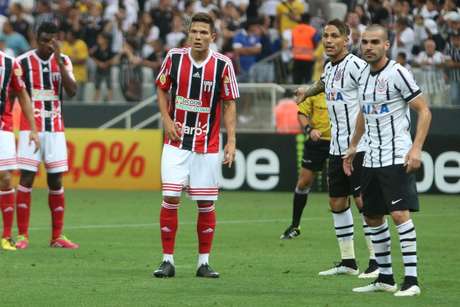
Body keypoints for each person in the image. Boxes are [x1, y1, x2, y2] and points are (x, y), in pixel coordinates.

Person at [344, 24, 431, 297]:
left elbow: (424, 111)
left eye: (374, 42)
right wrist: (353, 145)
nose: (368, 46)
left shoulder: (397, 73)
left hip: (396, 154)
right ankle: (384, 277)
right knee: (371, 215)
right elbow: (363, 113)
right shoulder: (364, 77)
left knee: (398, 214)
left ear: (386, 45)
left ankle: (412, 281)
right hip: (371, 156)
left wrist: (416, 149)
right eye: (364, 42)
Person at [153, 12, 239, 278]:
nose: (198, 37)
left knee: (205, 203)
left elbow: (229, 103)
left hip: (207, 144)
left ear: (213, 37)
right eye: (194, 32)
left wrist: (232, 140)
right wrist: (166, 119)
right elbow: (161, 88)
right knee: (170, 198)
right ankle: (167, 260)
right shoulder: (174, 58)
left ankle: (203, 263)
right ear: (188, 34)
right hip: (176, 142)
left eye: (204, 33)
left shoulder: (223, 65)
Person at [296, 19, 378, 278]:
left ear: (346, 39)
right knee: (336, 202)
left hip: (360, 147)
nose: (328, 40)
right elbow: (323, 83)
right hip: (336, 147)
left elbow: (372, 96)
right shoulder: (329, 67)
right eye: (325, 36)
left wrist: (360, 141)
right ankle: (348, 261)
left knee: (364, 202)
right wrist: (307, 92)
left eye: (334, 36)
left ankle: (377, 261)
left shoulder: (357, 66)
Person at [15, 22, 79, 250]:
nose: (46, 45)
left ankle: (57, 237)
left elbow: (72, 91)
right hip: (29, 128)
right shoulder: (22, 62)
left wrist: (60, 60)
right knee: (26, 178)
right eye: (43, 40)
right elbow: (14, 93)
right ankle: (22, 236)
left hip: (55, 128)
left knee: (56, 180)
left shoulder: (63, 61)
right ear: (35, 38)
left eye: (51, 41)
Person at [0, 51, 39, 251]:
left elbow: (22, 94)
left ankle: (6, 236)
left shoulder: (9, 63)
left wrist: (33, 127)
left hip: (3, 127)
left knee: (6, 178)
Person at [280, 93, 330, 239]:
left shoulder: (346, 86)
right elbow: (301, 113)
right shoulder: (315, 90)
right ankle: (295, 226)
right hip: (317, 143)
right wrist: (309, 130)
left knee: (340, 190)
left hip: (339, 142)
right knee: (303, 183)